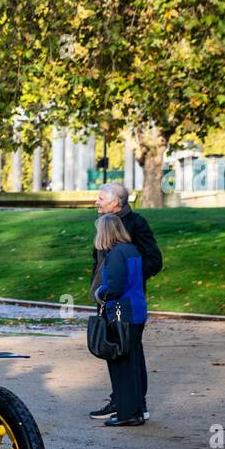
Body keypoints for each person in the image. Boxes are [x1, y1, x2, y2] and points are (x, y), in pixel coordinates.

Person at [89, 181, 160, 421]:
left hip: (123, 301)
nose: (96, 202)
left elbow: (153, 260)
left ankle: (134, 405)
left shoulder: (135, 224)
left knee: (128, 352)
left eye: (101, 198)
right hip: (109, 298)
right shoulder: (105, 225)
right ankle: (122, 401)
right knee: (116, 351)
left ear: (115, 202)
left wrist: (129, 281)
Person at [92, 214, 148, 427]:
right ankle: (136, 409)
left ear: (106, 232)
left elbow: (114, 288)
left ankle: (127, 413)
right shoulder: (132, 250)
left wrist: (99, 293)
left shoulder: (115, 254)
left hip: (121, 312)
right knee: (132, 362)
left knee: (121, 364)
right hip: (136, 311)